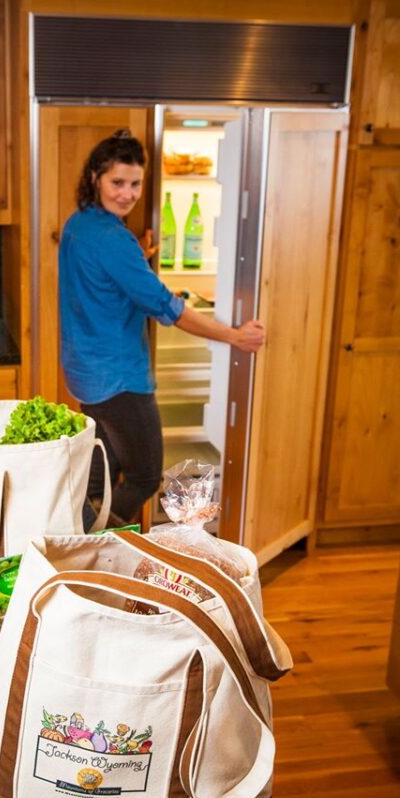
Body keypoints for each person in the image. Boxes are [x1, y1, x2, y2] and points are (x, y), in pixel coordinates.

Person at [58, 129, 265, 527]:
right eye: (118, 182)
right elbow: (169, 308)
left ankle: (83, 542)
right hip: (119, 379)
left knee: (100, 474)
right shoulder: (113, 240)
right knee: (144, 476)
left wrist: (136, 258)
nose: (128, 194)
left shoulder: (79, 223)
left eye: (135, 184)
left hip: (85, 373)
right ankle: (96, 541)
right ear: (95, 178)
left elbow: (102, 274)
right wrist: (236, 336)